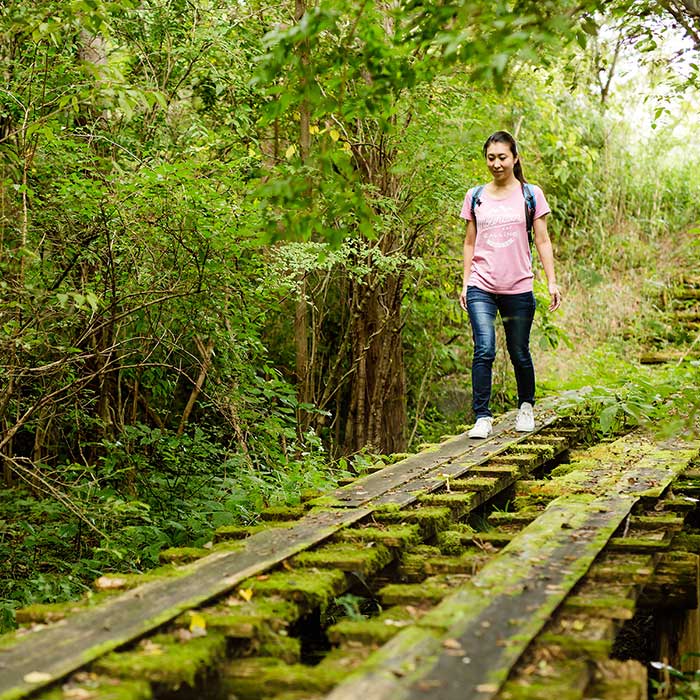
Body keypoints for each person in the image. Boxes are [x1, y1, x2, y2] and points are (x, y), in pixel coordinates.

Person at [459, 130, 561, 439]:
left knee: (518, 351)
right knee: (484, 349)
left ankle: (526, 407)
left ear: (514, 158)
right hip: (482, 285)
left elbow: (542, 240)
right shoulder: (475, 195)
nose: (496, 163)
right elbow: (469, 242)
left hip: (518, 286)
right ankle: (482, 417)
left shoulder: (531, 194)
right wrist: (465, 283)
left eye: (502, 157)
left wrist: (552, 281)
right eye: (491, 158)